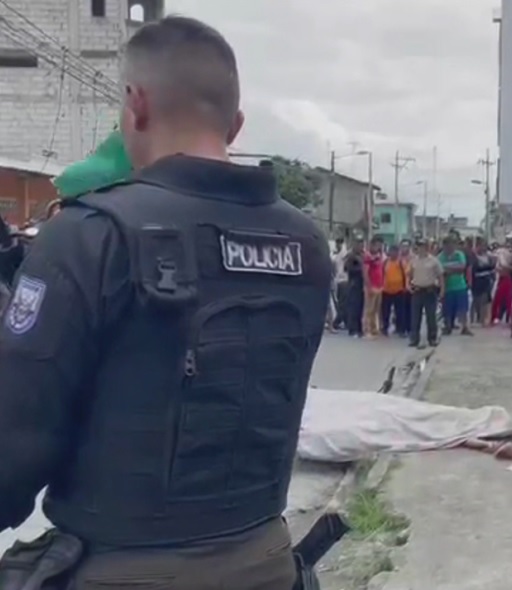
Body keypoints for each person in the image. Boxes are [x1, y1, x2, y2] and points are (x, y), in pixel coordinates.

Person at [0, 16, 331, 589]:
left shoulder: (89, 234)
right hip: (267, 563)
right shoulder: (305, 244)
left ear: (135, 104)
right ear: (236, 123)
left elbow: (14, 441)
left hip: (121, 571)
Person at [407, 238, 443, 348]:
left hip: (430, 291)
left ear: (427, 247)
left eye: (423, 246)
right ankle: (414, 339)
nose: (421, 248)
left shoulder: (434, 261)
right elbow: (409, 275)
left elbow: (440, 276)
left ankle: (432, 338)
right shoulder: (413, 260)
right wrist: (408, 285)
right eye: (419, 246)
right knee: (415, 317)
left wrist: (442, 290)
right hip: (417, 291)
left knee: (431, 316)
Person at [439, 236, 472, 336]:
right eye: (448, 245)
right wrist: (454, 268)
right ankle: (448, 327)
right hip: (447, 287)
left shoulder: (459, 254)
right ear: (444, 246)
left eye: (452, 245)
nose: (450, 247)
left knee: (463, 309)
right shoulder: (440, 256)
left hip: (460, 286)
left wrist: (447, 268)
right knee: (447, 309)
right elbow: (439, 269)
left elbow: (462, 267)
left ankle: (465, 327)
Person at [381, 245, 409, 337]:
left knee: (400, 312)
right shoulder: (385, 262)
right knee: (385, 311)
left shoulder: (401, 263)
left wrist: (405, 287)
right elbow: (382, 274)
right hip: (386, 290)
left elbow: (406, 276)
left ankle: (401, 330)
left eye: (395, 252)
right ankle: (385, 328)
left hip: (399, 290)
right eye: (391, 251)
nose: (393, 254)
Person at [363, 237, 385, 338]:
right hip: (371, 286)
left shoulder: (379, 256)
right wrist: (369, 286)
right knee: (369, 309)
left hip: (379, 286)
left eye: (379, 245)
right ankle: (367, 330)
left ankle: (374, 328)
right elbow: (365, 272)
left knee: (376, 309)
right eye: (376, 245)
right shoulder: (368, 256)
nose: (378, 247)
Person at [470, 238, 495, 327]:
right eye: (481, 245)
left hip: (486, 280)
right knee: (476, 300)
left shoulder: (488, 256)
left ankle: (483, 319)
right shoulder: (473, 256)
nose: (483, 247)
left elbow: (492, 268)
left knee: (485, 300)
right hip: (476, 280)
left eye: (484, 245)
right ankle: (474, 318)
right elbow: (471, 269)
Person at [332, 237, 349, 330]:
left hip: (344, 280)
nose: (337, 246)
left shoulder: (344, 254)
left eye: (339, 244)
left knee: (342, 303)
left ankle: (337, 321)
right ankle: (344, 321)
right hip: (338, 280)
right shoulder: (337, 254)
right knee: (340, 302)